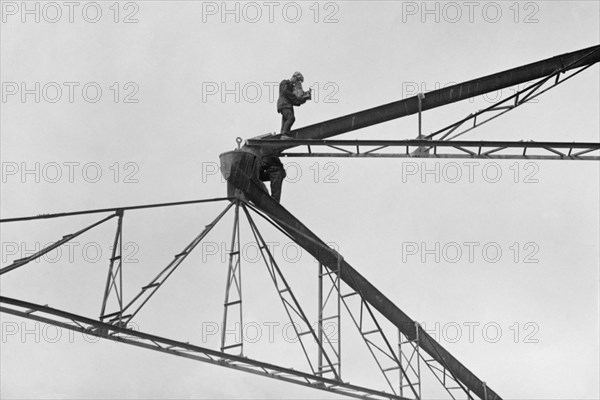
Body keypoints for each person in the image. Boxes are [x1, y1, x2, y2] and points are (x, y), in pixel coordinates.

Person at [277, 71, 311, 138]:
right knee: (291, 118)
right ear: (294, 77)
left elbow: (295, 101)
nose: (297, 82)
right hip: (284, 104)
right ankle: (284, 134)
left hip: (287, 105)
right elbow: (285, 92)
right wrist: (296, 96)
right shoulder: (285, 82)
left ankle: (283, 135)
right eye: (297, 80)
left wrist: (304, 98)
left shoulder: (292, 87)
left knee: (286, 120)